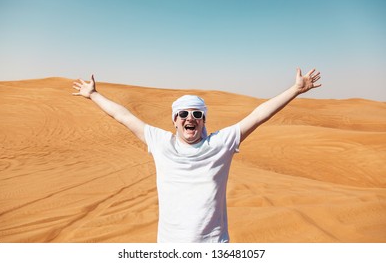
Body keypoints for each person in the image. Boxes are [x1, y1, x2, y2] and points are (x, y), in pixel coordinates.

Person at [72, 68, 321, 243]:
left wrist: (295, 90)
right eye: (183, 114)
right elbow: (123, 116)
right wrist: (93, 94)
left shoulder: (221, 143)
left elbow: (257, 115)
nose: (189, 118)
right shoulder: (160, 142)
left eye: (197, 114)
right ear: (175, 120)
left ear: (203, 121)